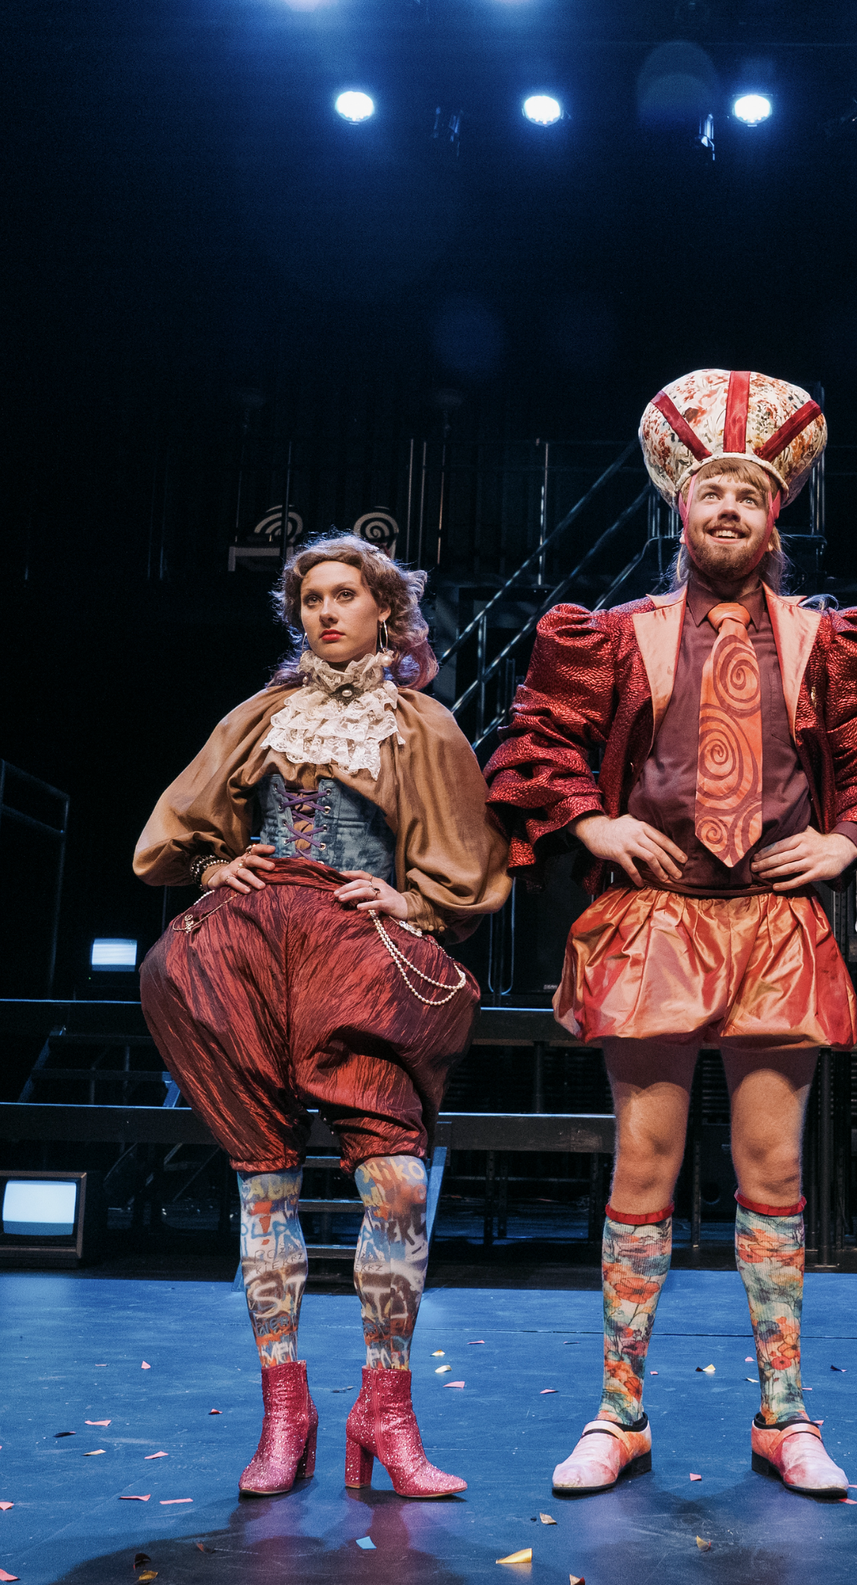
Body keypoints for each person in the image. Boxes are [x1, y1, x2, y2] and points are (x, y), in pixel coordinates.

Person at [487, 369, 857, 1500]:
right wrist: (593, 819)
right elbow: (538, 737)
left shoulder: (821, 637)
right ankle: (620, 1412)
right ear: (677, 511)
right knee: (643, 1160)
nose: (730, 509)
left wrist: (845, 842)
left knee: (773, 1166)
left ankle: (783, 1415)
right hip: (657, 916)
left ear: (774, 513)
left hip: (776, 924)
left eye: (749, 492)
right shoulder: (621, 634)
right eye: (710, 492)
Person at [135, 532, 510, 1501]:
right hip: (251, 957)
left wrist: (412, 902)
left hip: (355, 958)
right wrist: (216, 865)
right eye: (312, 599)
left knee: (395, 1183)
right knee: (266, 1188)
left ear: (386, 610)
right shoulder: (264, 716)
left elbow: (468, 860)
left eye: (347, 594)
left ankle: (382, 1410)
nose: (329, 612)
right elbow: (171, 833)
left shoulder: (417, 721)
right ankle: (283, 1413)